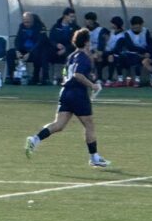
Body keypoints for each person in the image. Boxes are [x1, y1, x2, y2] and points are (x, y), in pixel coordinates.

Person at [24, 29, 109, 168]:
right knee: (89, 125)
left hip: (65, 92)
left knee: (59, 125)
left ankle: (35, 139)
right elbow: (77, 75)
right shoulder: (83, 57)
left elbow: (67, 73)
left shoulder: (71, 56)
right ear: (87, 42)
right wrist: (92, 85)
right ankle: (94, 157)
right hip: (77, 94)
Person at [7, 13, 47, 84]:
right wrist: (17, 50)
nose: (26, 24)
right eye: (24, 21)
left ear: (32, 20)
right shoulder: (21, 26)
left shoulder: (40, 27)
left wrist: (30, 53)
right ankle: (11, 76)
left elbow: (40, 42)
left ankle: (35, 78)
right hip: (23, 50)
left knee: (40, 54)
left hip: (34, 50)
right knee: (10, 53)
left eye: (28, 22)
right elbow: (17, 39)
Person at [115, 16, 152, 86]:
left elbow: (150, 43)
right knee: (121, 57)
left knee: (143, 59)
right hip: (133, 53)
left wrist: (147, 52)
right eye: (134, 27)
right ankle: (121, 79)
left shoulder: (146, 31)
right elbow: (130, 47)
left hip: (146, 53)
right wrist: (142, 52)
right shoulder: (127, 33)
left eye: (138, 27)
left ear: (141, 25)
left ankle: (140, 79)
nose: (136, 28)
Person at [46, 8, 80, 85]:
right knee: (46, 54)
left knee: (67, 59)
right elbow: (51, 39)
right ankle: (48, 78)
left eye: (73, 17)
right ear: (65, 16)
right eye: (71, 16)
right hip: (56, 50)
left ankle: (64, 77)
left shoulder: (75, 28)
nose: (73, 19)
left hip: (70, 51)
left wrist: (66, 49)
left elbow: (76, 42)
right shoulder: (56, 26)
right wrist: (56, 45)